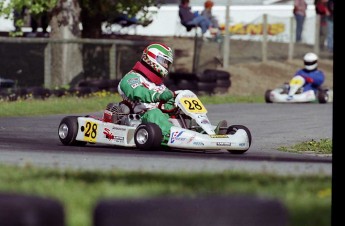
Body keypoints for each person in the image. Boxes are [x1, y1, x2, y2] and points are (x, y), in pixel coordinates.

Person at [117, 43, 176, 145]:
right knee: (154, 114)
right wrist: (157, 96)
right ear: (151, 58)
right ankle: (174, 136)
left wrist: (171, 103)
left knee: (182, 114)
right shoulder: (131, 77)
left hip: (160, 116)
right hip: (142, 116)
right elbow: (137, 92)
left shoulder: (158, 84)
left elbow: (165, 103)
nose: (166, 65)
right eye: (164, 61)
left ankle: (202, 132)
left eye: (168, 63)